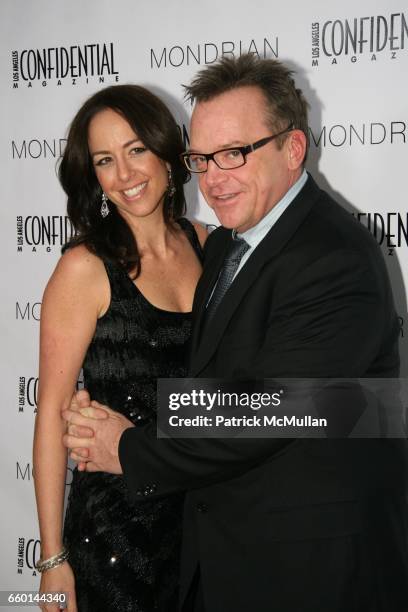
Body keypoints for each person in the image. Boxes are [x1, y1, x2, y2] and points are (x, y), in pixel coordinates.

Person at [63, 55, 408, 612]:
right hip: (231, 549)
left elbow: (273, 408)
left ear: (292, 149)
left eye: (233, 154)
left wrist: (127, 445)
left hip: (310, 570)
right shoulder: (226, 243)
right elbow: (224, 385)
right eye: (201, 158)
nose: (213, 178)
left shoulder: (332, 256)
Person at [33, 84, 206, 612]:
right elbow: (51, 416)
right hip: (116, 535)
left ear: (165, 151)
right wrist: (51, 560)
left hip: (200, 519)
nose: (126, 175)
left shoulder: (208, 244)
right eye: (106, 160)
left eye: (135, 150)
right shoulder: (84, 268)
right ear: (94, 177)